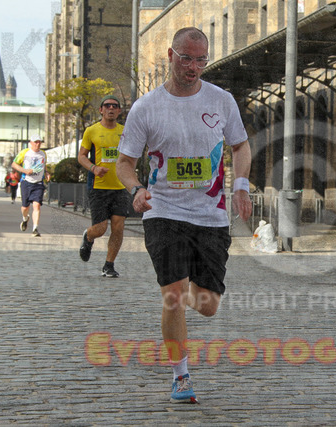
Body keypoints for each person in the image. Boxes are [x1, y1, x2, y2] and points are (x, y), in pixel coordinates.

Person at [116, 27, 252, 404]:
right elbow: (124, 163)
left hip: (210, 214)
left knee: (207, 306)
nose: (193, 67)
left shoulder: (221, 100)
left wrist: (241, 184)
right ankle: (181, 375)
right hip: (163, 210)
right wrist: (136, 189)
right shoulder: (146, 107)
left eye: (200, 60)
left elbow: (241, 145)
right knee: (173, 295)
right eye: (186, 58)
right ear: (170, 56)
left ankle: (189, 286)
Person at [77, 94, 129, 278]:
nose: (111, 108)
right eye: (107, 106)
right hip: (98, 186)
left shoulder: (125, 131)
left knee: (118, 227)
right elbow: (81, 156)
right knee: (100, 229)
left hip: (120, 186)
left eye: (115, 106)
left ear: (119, 111)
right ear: (101, 110)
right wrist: (94, 168)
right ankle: (88, 236)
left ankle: (109, 265)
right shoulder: (91, 131)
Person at [12, 135, 46, 237]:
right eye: (35, 142)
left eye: (39, 142)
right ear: (30, 143)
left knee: (37, 205)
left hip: (38, 183)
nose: (37, 144)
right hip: (26, 182)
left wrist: (47, 173)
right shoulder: (25, 152)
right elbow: (14, 164)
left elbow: (44, 166)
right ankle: (25, 218)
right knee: (25, 207)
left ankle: (35, 228)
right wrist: (25, 170)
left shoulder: (43, 154)